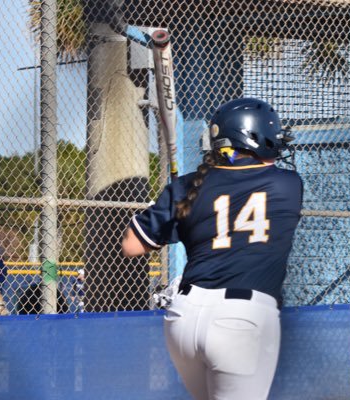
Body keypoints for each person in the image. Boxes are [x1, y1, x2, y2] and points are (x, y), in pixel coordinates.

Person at [122, 98, 303, 400]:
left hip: (183, 319)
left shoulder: (186, 188)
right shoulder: (288, 185)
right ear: (258, 138)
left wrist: (168, 202)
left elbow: (131, 245)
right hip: (243, 320)